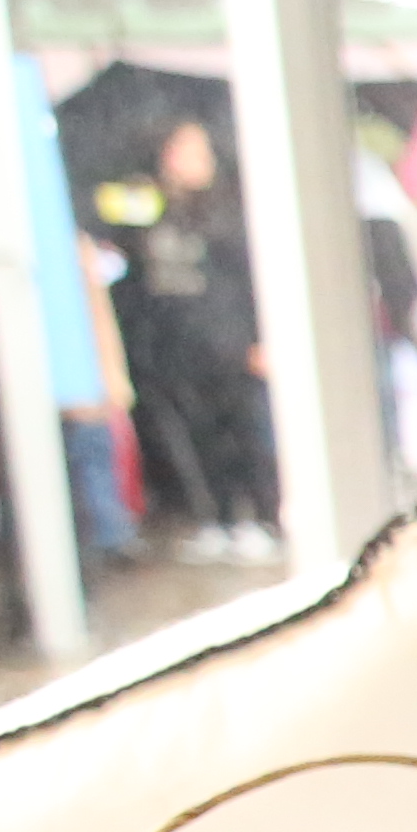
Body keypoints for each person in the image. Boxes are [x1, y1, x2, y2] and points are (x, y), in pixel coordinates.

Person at [100, 115, 275, 560]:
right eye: (182, 151)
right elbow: (113, 233)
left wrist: (258, 337)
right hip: (173, 345)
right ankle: (215, 519)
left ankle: (257, 519)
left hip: (227, 340)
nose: (191, 162)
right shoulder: (149, 205)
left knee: (241, 431)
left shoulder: (227, 208)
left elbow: (249, 277)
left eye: (199, 152)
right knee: (195, 436)